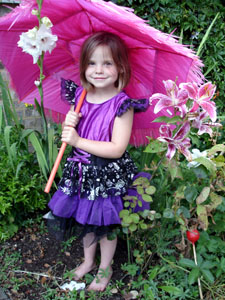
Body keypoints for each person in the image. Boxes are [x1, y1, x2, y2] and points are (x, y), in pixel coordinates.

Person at [48, 31, 149, 291]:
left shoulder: (122, 105)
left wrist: (77, 141)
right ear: (83, 66)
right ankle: (88, 262)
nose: (99, 70)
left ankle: (105, 268)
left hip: (105, 175)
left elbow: (116, 148)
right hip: (81, 173)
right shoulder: (80, 97)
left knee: (104, 224)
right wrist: (71, 122)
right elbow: (73, 132)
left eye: (107, 63)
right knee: (85, 220)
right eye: (92, 63)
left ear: (121, 68)